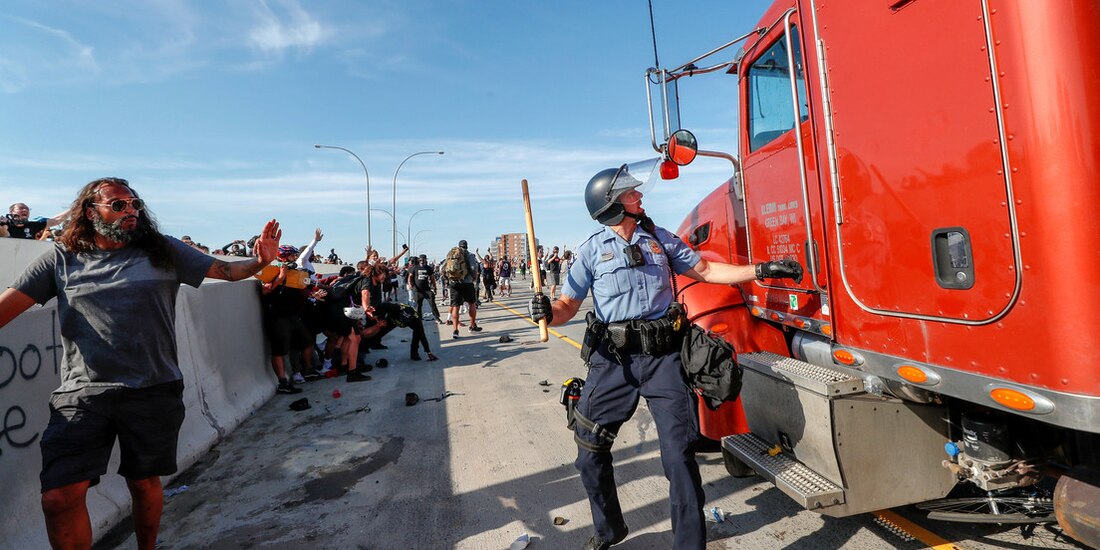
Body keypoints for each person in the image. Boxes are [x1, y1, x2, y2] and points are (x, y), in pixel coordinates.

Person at [529, 162, 803, 550]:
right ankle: (609, 530)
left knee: (679, 457)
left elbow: (706, 270)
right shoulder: (591, 252)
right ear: (611, 207)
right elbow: (566, 307)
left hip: (663, 359)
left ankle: (689, 545)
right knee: (589, 451)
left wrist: (759, 270)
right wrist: (545, 312)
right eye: (630, 193)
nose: (639, 195)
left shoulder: (660, 240)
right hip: (613, 363)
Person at [0, 177, 283, 550]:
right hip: (83, 393)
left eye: (133, 204)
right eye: (118, 206)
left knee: (143, 483)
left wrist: (261, 261)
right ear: (91, 211)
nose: (130, 211)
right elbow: (7, 307)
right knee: (58, 497)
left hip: (153, 388)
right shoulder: (61, 257)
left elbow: (226, 272)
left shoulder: (162, 250)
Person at [448, 239, 482, 338]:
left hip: (455, 283)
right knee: (472, 304)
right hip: (467, 283)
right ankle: (472, 326)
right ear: (467, 246)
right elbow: (473, 268)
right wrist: (474, 277)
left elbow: (443, 269)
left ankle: (455, 330)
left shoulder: (452, 254)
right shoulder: (470, 255)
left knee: (456, 307)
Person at [2, 202, 67, 239]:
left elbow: (57, 220)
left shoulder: (33, 225)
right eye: (21, 208)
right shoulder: (4, 224)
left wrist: (74, 209)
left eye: (27, 209)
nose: (25, 210)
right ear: (11, 212)